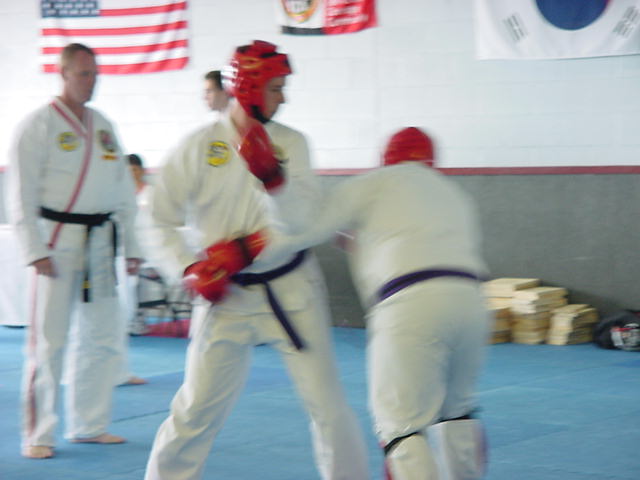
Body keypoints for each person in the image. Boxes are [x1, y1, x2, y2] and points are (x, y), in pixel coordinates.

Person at [144, 40, 369, 480]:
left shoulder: (293, 144)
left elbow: (306, 222)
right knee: (195, 409)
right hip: (225, 294)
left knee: (328, 407)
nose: (283, 98)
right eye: (276, 88)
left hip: (291, 289)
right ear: (248, 88)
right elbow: (156, 216)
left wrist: (275, 183)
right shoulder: (199, 146)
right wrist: (188, 268)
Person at [262, 127, 490, 480]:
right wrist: (361, 242)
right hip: (471, 304)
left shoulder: (376, 182)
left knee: (401, 427)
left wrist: (274, 184)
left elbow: (304, 227)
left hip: (411, 306)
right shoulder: (454, 194)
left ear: (386, 158)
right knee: (457, 413)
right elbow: (417, 243)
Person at [7, 43, 142, 459]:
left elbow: (124, 192)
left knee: (101, 336)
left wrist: (132, 246)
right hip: (56, 240)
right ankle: (39, 433)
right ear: (63, 74)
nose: (91, 81)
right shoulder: (38, 125)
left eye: (95, 73)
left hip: (99, 241)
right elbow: (20, 195)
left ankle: (89, 424)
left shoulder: (104, 126)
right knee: (49, 341)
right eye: (83, 73)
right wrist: (34, 249)